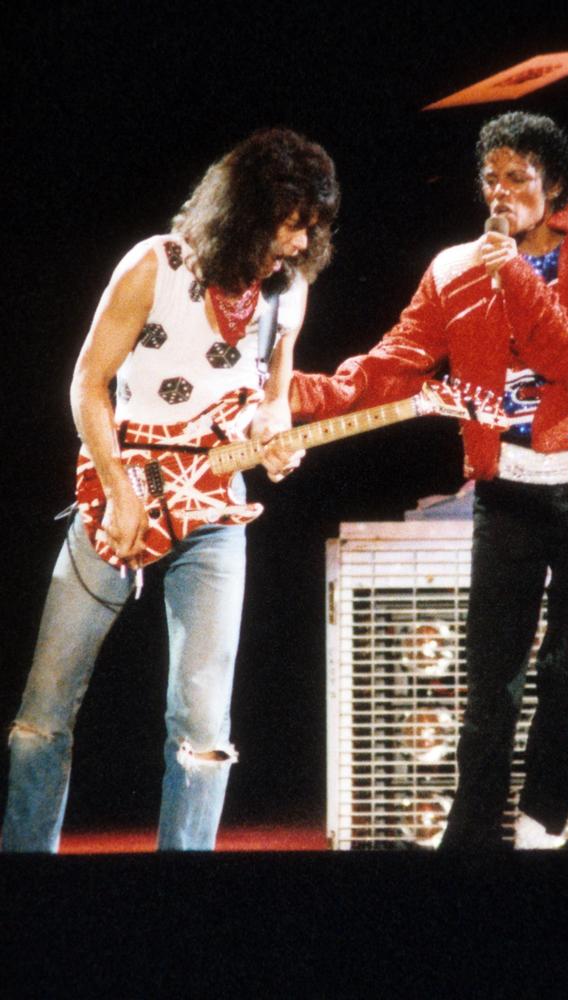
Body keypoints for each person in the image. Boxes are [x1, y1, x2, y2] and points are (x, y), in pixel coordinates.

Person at [289, 111, 568, 849]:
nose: (500, 192)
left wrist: (512, 273)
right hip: (507, 492)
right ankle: (469, 838)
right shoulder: (455, 267)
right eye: (490, 178)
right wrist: (296, 397)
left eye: (517, 177)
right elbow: (393, 363)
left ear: (553, 183)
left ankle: (540, 825)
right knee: (492, 682)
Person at [2, 127, 339, 852]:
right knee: (42, 715)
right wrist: (120, 491)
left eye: (309, 228)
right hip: (124, 484)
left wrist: (280, 441)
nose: (296, 243)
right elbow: (87, 383)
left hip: (215, 503)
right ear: (247, 210)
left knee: (204, 728)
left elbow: (271, 402)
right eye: (288, 224)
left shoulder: (290, 293)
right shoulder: (155, 265)